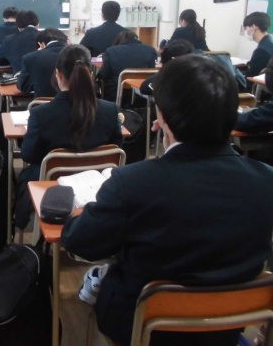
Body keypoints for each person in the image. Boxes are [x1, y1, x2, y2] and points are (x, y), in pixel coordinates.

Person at [62, 54, 273, 346]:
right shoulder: (266, 179)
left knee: (101, 280)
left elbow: (80, 242)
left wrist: (78, 214)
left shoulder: (131, 183)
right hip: (227, 326)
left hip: (143, 326)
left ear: (161, 117)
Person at [16, 44, 123, 228]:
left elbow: (28, 155)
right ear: (91, 74)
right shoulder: (110, 110)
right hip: (96, 186)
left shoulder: (41, 114)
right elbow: (116, 148)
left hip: (52, 188)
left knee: (26, 175)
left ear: (58, 74)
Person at [98, 30, 158, 101]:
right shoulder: (150, 50)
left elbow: (104, 74)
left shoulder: (111, 51)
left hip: (117, 94)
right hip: (142, 94)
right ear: (136, 38)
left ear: (118, 41)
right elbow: (151, 73)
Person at [17, 28, 68, 98]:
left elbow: (23, 87)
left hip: (43, 103)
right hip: (74, 103)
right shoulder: (78, 54)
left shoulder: (31, 58)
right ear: (66, 41)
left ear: (41, 44)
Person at [243, 11, 273, 78]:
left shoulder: (261, 51)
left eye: (246, 28)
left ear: (253, 27)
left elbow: (250, 77)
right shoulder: (268, 42)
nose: (245, 31)